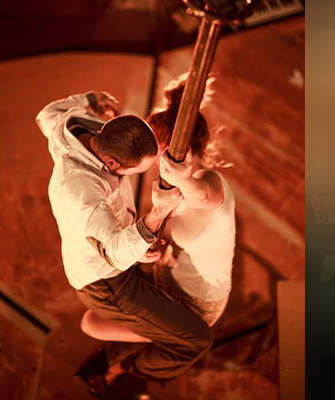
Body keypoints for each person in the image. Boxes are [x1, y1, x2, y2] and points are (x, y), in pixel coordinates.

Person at [36, 91, 214, 397]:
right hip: (105, 279)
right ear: (111, 162)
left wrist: (91, 100)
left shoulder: (83, 125)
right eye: (135, 172)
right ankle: (121, 370)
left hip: (117, 253)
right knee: (196, 340)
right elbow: (114, 252)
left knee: (169, 317)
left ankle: (108, 360)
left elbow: (46, 115)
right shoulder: (82, 191)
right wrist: (157, 213)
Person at [81, 77, 236, 345]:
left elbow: (202, 197)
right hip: (171, 276)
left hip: (197, 304)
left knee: (92, 323)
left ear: (164, 148)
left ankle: (146, 351)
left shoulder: (210, 181)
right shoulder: (171, 190)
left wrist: (184, 179)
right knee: (101, 298)